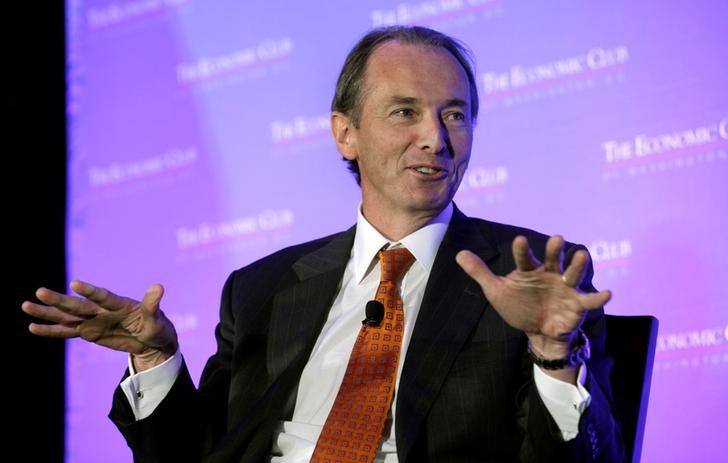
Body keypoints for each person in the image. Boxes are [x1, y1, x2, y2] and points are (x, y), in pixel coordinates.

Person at [23, 26, 625, 462]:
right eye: (405, 112)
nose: (435, 139)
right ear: (346, 134)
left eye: (455, 115)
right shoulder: (263, 289)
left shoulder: (527, 281)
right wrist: (156, 360)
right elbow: (199, 453)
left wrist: (553, 352)